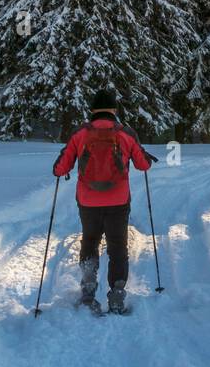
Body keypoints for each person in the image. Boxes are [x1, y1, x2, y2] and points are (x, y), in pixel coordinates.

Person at [53, 91, 152, 315]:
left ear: (92, 110)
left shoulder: (80, 133)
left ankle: (88, 290)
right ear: (114, 110)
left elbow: (61, 168)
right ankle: (116, 294)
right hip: (118, 200)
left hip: (88, 201)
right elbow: (143, 165)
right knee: (118, 245)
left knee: (89, 241)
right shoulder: (125, 133)